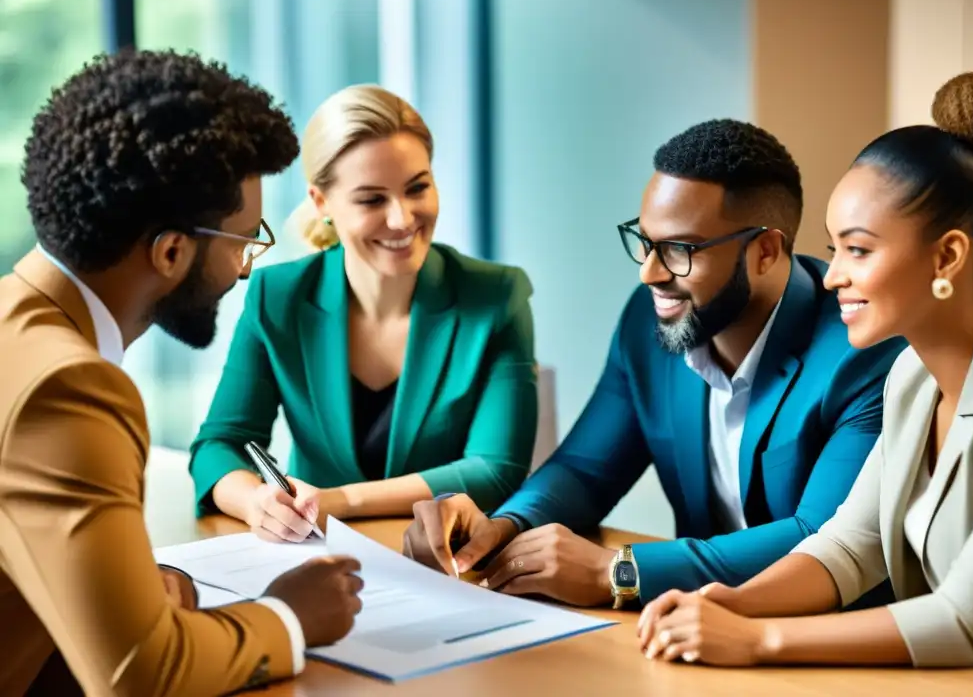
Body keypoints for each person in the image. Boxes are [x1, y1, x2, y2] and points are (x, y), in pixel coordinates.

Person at [402, 119, 906, 607]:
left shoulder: (864, 351)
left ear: (766, 251)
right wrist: (506, 525)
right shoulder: (652, 323)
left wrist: (617, 571)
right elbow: (584, 469)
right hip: (693, 632)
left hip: (834, 646)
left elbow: (821, 538)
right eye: (645, 241)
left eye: (680, 250)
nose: (649, 273)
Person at [0, 50, 363, 696]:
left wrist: (143, 591)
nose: (247, 269)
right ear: (171, 251)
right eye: (244, 243)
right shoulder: (68, 388)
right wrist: (289, 616)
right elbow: (142, 675)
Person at [636, 72, 973, 677]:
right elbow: (849, 545)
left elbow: (969, 618)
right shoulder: (911, 381)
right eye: (833, 248)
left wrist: (760, 642)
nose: (831, 275)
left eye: (859, 250)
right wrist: (729, 606)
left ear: (947, 256)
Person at [189, 84, 538, 543]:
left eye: (418, 188)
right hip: (313, 559)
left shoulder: (496, 295)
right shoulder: (278, 295)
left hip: (448, 565)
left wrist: (340, 501)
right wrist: (255, 502)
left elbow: (495, 470)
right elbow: (218, 444)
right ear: (321, 203)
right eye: (372, 200)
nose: (402, 218)